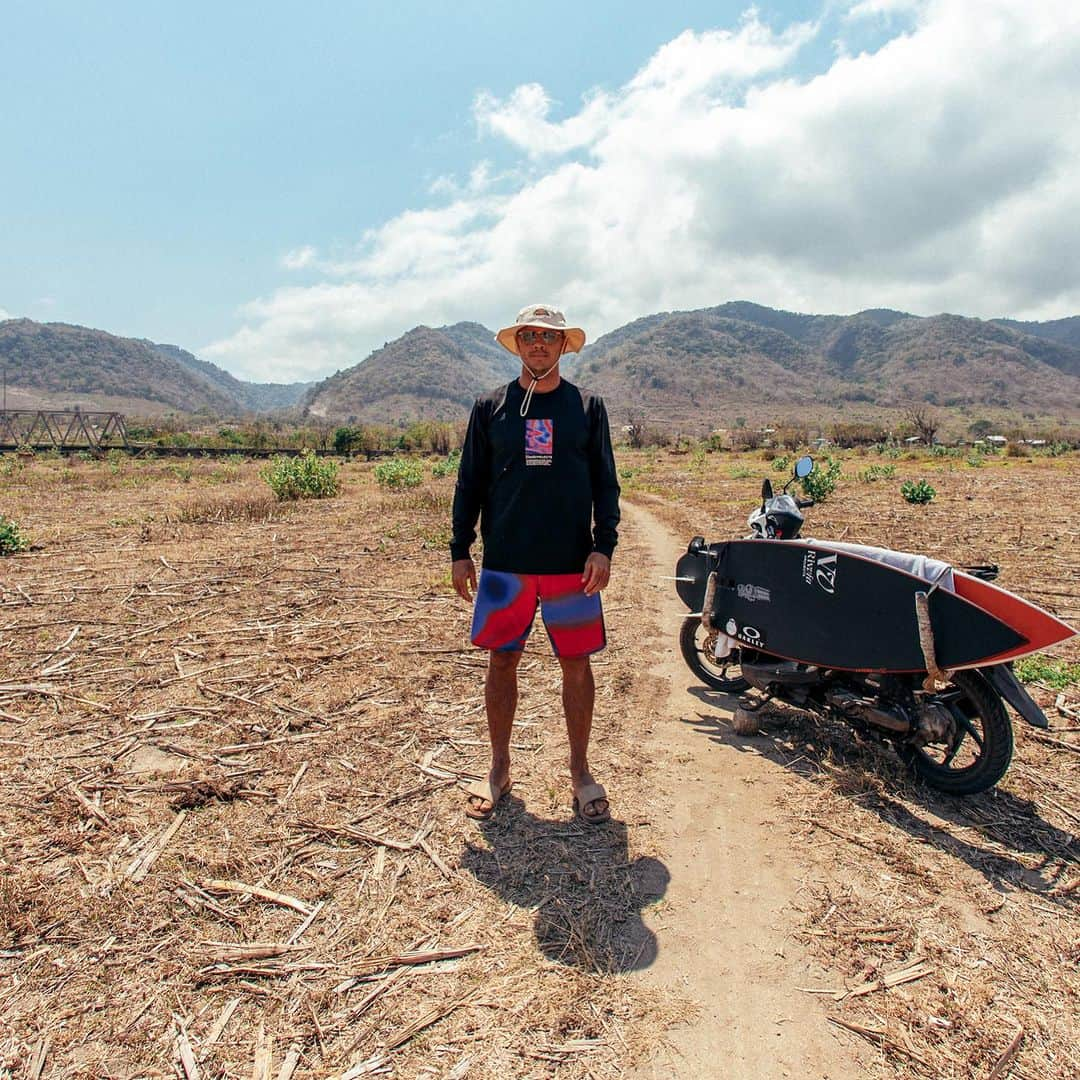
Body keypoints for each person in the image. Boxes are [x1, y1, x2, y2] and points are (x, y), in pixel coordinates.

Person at [450, 304, 621, 824]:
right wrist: (461, 549)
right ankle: (499, 769)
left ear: (563, 345)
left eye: (548, 336)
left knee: (577, 664)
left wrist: (603, 546)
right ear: (517, 344)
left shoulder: (587, 408)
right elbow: (469, 483)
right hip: (506, 565)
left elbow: (605, 485)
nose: (538, 344)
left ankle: (580, 772)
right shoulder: (490, 408)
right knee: (501, 661)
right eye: (529, 336)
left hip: (572, 566)